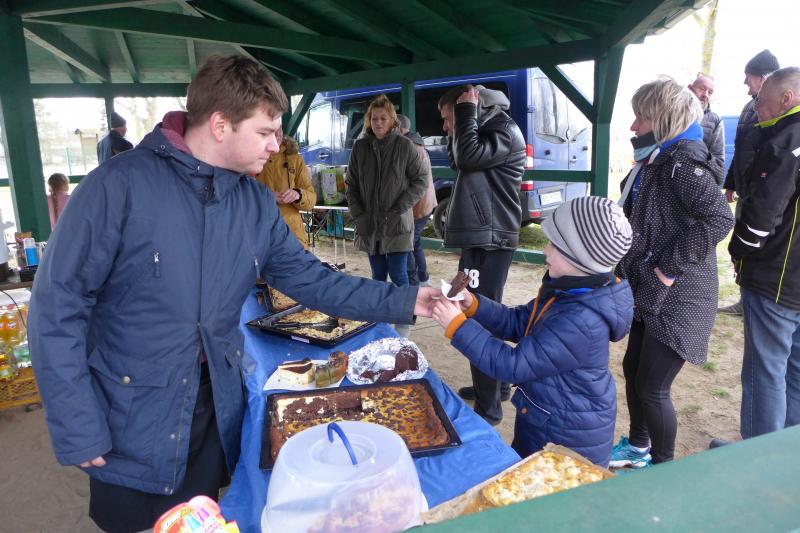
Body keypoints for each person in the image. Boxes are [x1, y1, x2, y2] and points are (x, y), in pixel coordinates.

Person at [29, 55, 436, 533]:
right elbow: (56, 308)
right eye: (265, 132)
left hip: (212, 403)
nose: (276, 145)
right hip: (130, 412)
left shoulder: (254, 202)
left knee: (202, 518)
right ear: (221, 125)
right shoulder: (117, 186)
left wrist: (408, 299)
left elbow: (315, 281)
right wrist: (76, 421)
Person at [431, 196, 633, 466]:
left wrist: (458, 326)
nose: (546, 251)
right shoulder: (568, 293)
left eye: (555, 245)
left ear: (580, 259)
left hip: (566, 441)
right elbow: (519, 322)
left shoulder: (581, 320)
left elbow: (513, 365)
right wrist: (474, 305)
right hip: (547, 420)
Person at [610, 77, 733, 468]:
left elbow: (719, 219)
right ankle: (638, 448)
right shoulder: (658, 160)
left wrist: (666, 268)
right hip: (652, 291)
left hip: (681, 296)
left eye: (641, 118)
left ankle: (664, 469)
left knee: (653, 387)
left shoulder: (683, 164)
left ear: (662, 120)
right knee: (633, 370)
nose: (633, 127)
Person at [437, 84, 524, 425]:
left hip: (490, 237)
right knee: (484, 312)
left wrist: (464, 114)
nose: (446, 126)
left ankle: (488, 409)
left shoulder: (502, 129)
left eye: (448, 119)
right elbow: (458, 159)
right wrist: (462, 122)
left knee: (479, 318)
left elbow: (467, 157)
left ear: (471, 108)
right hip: (483, 234)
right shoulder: (483, 128)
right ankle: (495, 388)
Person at [728, 67, 800, 441]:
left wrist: (738, 252)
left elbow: (761, 216)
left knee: (765, 371)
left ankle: (755, 457)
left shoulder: (788, 140)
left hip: (776, 277)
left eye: (762, 99)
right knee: (795, 370)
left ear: (787, 98)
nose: (756, 107)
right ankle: (785, 453)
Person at [345, 95, 428, 337]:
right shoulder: (360, 148)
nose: (378, 122)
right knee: (378, 276)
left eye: (383, 118)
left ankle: (403, 324)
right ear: (369, 121)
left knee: (400, 276)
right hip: (370, 224)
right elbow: (351, 185)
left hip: (397, 223)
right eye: (374, 118)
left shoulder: (404, 146)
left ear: (392, 120)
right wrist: (359, 214)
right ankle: (380, 323)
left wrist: (401, 206)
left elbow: (421, 180)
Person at [719, 49, 780, 316]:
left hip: (764, 194)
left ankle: (756, 303)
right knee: (742, 245)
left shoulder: (776, 109)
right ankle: (744, 300)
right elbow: (742, 149)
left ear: (763, 78)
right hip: (746, 193)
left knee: (758, 244)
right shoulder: (749, 107)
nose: (745, 83)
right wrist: (732, 183)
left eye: (748, 77)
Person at [255, 127, 316, 248]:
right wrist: (267, 197)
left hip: (292, 236)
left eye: (279, 128)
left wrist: (298, 195)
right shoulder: (249, 158)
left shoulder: (296, 159)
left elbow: (311, 199)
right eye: (271, 128)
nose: (277, 133)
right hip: (259, 235)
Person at [397, 114, 437, 287]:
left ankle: (413, 285)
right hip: (425, 203)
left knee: (406, 245)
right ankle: (423, 279)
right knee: (416, 242)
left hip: (416, 206)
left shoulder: (408, 147)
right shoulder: (418, 144)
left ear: (399, 129)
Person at [687, 75, 725, 184]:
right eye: (702, 89)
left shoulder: (715, 120)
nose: (706, 95)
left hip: (695, 182)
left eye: (710, 92)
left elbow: (718, 160)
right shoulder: (671, 113)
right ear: (690, 88)